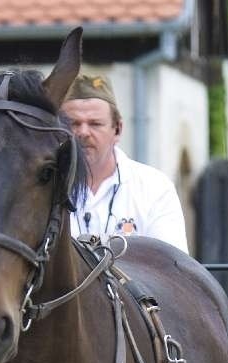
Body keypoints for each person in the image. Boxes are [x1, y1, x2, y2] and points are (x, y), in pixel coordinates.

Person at [62, 74, 188, 252]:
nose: (83, 132)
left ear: (118, 129)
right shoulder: (43, 187)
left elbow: (173, 267)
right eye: (73, 123)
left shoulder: (154, 188)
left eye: (95, 124)